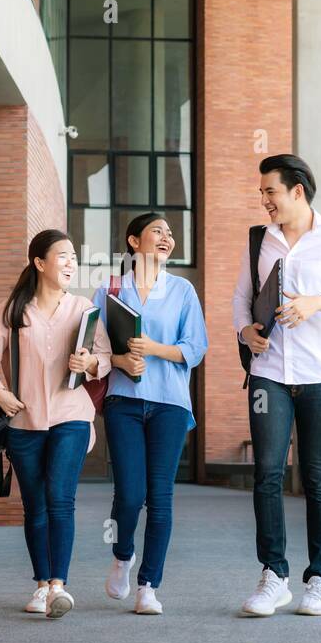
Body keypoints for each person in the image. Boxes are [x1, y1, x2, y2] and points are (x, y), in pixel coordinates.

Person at [231, 154, 321, 617]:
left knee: (316, 479)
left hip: (320, 376)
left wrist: (320, 301)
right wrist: (244, 332)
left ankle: (318, 580)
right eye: (261, 193)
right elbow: (240, 298)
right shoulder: (260, 240)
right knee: (268, 475)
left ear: (297, 190)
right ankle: (273, 576)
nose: (264, 201)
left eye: (270, 192)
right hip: (269, 374)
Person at [0, 229, 112, 619]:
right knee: (34, 505)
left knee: (60, 499)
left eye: (73, 257)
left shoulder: (84, 309)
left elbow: (105, 357)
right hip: (24, 422)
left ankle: (58, 587)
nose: (70, 263)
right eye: (62, 256)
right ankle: (40, 584)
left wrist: (91, 364)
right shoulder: (11, 311)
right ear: (39, 263)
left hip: (71, 416)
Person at [93, 213, 208, 615]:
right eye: (158, 231)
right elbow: (95, 349)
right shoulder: (110, 290)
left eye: (171, 233)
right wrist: (123, 361)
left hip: (170, 405)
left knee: (160, 497)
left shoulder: (182, 290)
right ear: (134, 241)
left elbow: (194, 348)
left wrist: (151, 348)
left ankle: (148, 586)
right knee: (129, 492)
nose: (167, 238)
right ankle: (123, 555)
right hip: (123, 402)